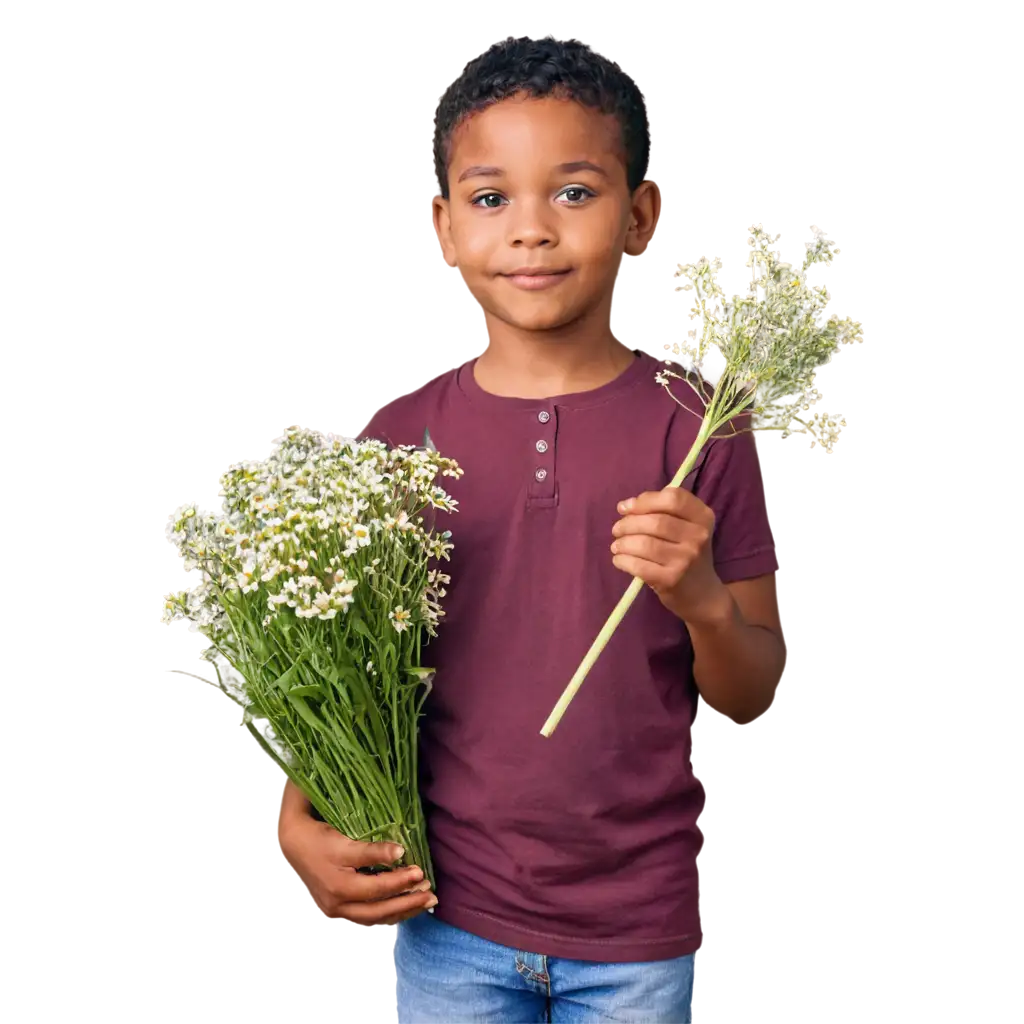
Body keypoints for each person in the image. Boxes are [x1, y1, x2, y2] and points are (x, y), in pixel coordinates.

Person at [273, 33, 782, 1023]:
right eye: (491, 196)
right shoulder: (397, 434)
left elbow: (749, 695)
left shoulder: (698, 427)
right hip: (447, 923)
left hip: (635, 931)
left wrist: (703, 605)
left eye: (575, 192)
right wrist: (295, 818)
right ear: (442, 224)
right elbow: (352, 675)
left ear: (640, 214)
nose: (532, 230)